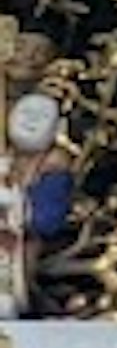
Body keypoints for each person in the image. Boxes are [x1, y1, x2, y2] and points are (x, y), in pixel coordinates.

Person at [0, 84, 74, 319]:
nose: (31, 122)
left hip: (20, 245)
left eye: (40, 117)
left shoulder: (54, 165)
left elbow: (46, 221)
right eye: (25, 114)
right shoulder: (5, 158)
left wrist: (16, 207)